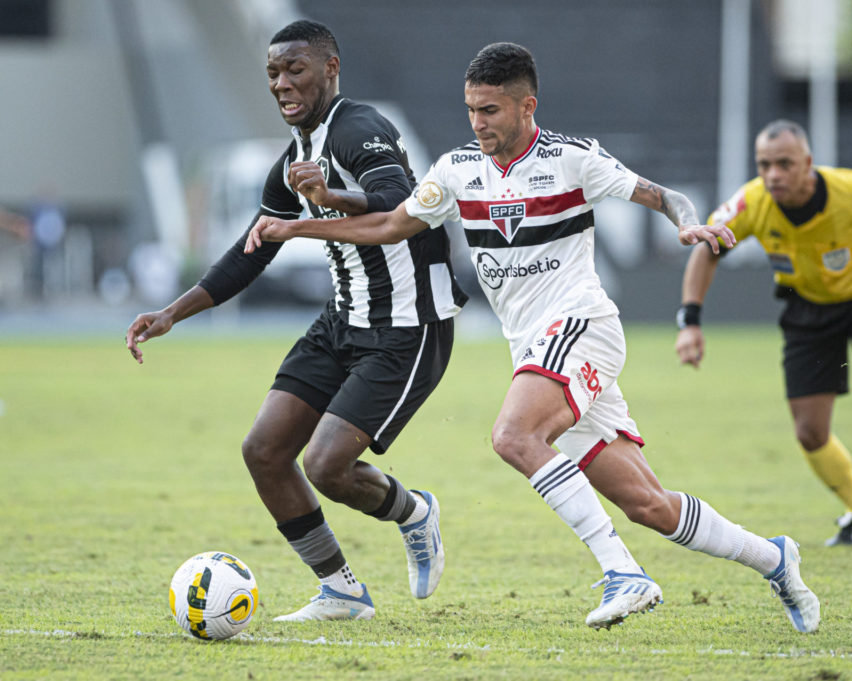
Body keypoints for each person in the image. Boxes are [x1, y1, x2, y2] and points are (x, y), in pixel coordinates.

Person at [246, 42, 820, 633]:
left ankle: (623, 572)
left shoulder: (573, 159)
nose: (477, 123)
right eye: (471, 109)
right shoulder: (457, 170)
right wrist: (301, 225)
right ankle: (774, 557)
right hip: (534, 350)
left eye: (490, 110)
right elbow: (392, 224)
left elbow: (660, 194)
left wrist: (686, 222)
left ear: (527, 107)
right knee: (647, 503)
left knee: (514, 435)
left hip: (581, 326)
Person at [125, 20, 467, 622]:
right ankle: (341, 590)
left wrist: (331, 199)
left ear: (331, 68)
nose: (282, 84)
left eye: (295, 70)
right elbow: (253, 248)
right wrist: (172, 313)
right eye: (273, 74)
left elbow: (399, 204)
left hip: (406, 325)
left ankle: (415, 513)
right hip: (342, 320)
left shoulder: (361, 129)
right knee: (264, 450)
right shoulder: (293, 157)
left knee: (327, 466)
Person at [675, 119, 852, 548]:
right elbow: (708, 249)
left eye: (785, 164)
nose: (773, 174)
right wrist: (691, 321)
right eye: (764, 164)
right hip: (807, 310)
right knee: (810, 432)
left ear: (808, 163)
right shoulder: (753, 202)